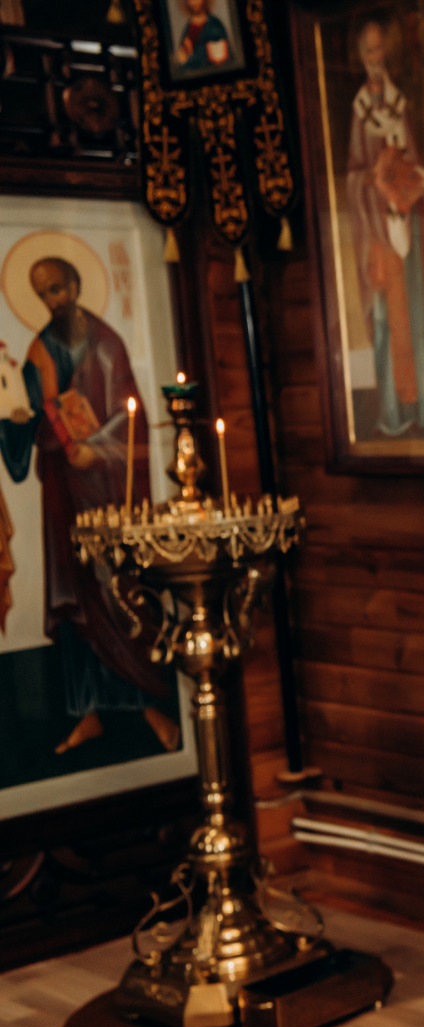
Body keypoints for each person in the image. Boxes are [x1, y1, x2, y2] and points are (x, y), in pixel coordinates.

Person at [0, 257, 178, 755]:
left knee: (117, 594)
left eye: (57, 288)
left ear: (75, 285)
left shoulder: (108, 345)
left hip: (108, 491)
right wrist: (15, 418)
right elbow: (35, 419)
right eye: (43, 295)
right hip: (64, 496)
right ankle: (89, 715)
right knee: (78, 600)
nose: (52, 300)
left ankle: (148, 708)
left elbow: (132, 421)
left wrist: (94, 448)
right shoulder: (39, 350)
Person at [348, 18, 424, 438]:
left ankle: (421, 405)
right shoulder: (360, 109)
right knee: (385, 318)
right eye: (368, 52)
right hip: (378, 231)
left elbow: (417, 163)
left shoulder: (400, 104)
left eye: (380, 50)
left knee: (412, 316)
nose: (374, 59)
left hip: (407, 233)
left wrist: (407, 178)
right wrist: (375, 180)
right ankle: (391, 409)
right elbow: (352, 176)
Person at [173, 0, 231, 73]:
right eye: (190, 0)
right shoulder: (188, 27)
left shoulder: (214, 24)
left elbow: (219, 56)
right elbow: (182, 57)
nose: (194, 2)